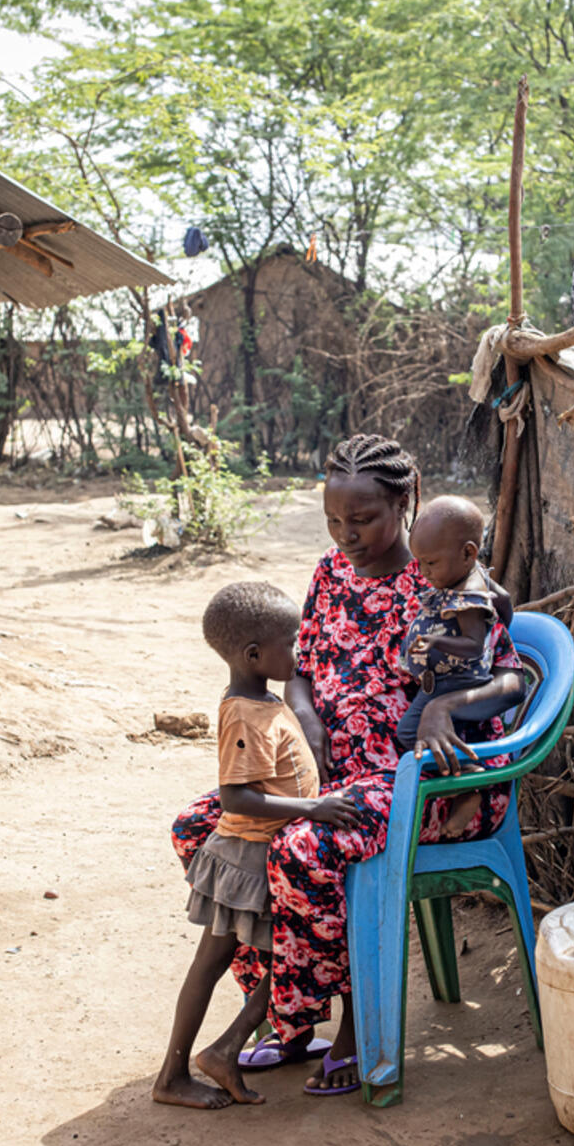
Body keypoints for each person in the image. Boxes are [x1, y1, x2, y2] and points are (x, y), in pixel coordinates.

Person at [172, 435, 525, 1096]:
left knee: (304, 848)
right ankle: (290, 1017)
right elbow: (301, 668)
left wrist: (449, 708)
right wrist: (303, 715)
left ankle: (355, 1026)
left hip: (430, 780)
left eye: (362, 520)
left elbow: (509, 682)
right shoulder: (332, 572)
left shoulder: (441, 570)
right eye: (335, 520)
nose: (347, 535)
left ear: (405, 502)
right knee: (202, 829)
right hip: (329, 777)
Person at [153, 581, 358, 1109]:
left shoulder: (264, 698)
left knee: (276, 960)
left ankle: (212, 1055)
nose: (300, 650)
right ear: (252, 654)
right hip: (249, 861)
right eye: (290, 642)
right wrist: (313, 809)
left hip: (258, 856)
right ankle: (183, 1071)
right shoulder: (244, 713)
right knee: (267, 959)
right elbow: (237, 796)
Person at [397, 495, 525, 837]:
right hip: (445, 684)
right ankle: (461, 779)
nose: (423, 573)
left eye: (430, 564)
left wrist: (441, 642)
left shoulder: (469, 597)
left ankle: (468, 781)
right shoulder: (460, 582)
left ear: (468, 553)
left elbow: (473, 646)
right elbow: (505, 600)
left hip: (455, 684)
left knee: (409, 732)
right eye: (420, 564)